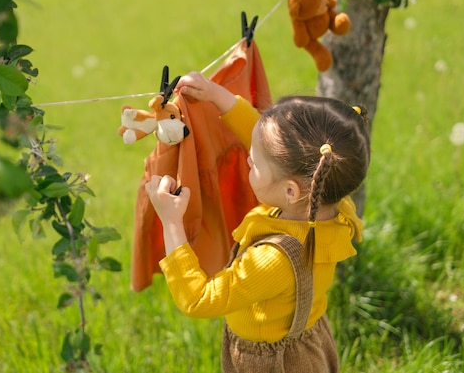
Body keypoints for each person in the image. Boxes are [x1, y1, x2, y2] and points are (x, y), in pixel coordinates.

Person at [145, 71, 371, 372]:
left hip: (272, 363)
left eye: (255, 160)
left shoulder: (274, 260)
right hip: (307, 338)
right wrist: (218, 96)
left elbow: (200, 300)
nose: (248, 157)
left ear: (291, 190)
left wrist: (171, 221)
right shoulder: (331, 200)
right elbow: (275, 150)